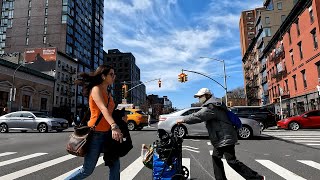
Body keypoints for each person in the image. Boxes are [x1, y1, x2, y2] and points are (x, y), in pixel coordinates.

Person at [176, 88, 265, 180]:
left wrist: (183, 120)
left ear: (207, 96)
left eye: (200, 97)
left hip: (224, 137)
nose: (199, 99)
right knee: (216, 158)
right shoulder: (215, 104)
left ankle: (256, 178)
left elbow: (198, 116)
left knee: (231, 161)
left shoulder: (211, 107)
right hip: (221, 137)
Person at [66, 65, 123, 180]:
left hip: (107, 135)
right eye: (111, 74)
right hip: (96, 133)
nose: (114, 77)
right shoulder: (96, 89)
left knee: (115, 163)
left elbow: (110, 112)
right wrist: (114, 126)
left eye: (114, 74)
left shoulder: (108, 93)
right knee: (87, 170)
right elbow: (103, 109)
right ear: (103, 76)